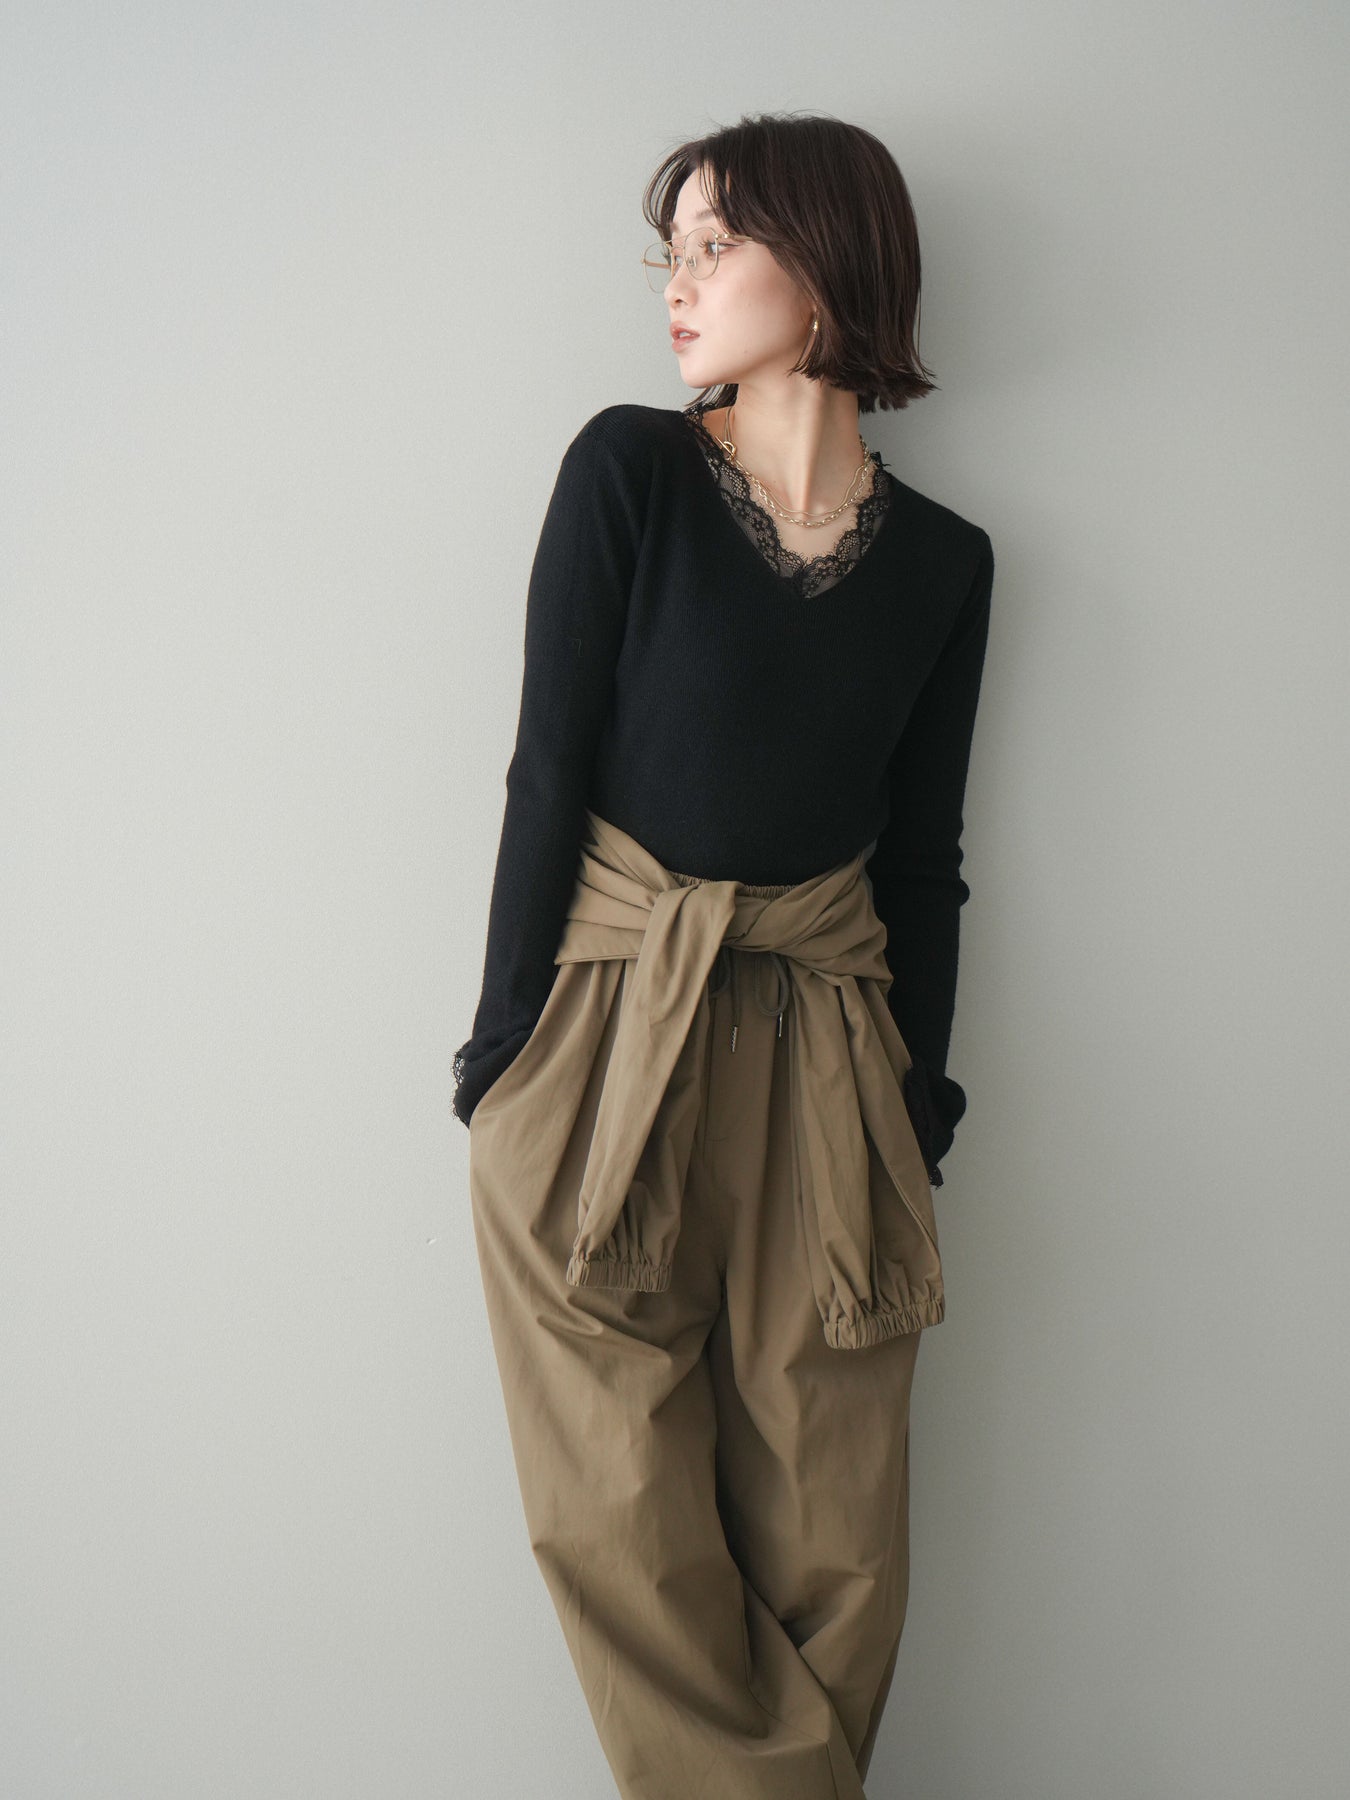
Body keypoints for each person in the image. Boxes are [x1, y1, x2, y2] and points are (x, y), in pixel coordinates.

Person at [453, 109, 995, 1800]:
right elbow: (548, 769)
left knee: (837, 1520)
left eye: (711, 248)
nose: (676, 288)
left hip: (831, 1053)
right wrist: (501, 1059)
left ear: (820, 270)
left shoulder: (947, 565)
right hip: (609, 1034)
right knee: (619, 1506)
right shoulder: (629, 470)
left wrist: (918, 1103)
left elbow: (921, 863)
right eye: (670, 253)